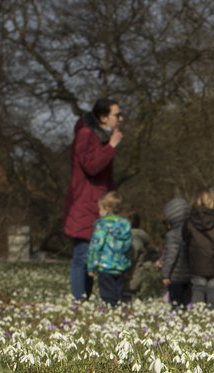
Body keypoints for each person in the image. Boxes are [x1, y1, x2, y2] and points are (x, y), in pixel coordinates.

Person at [63, 97, 124, 300]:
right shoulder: (86, 135)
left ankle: (86, 298)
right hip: (85, 204)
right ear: (103, 117)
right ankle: (80, 300)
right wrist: (112, 146)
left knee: (91, 256)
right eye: (117, 114)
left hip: (98, 204)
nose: (120, 119)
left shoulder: (100, 136)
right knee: (82, 255)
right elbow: (91, 166)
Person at [183, 189, 214, 308]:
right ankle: (212, 317)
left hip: (196, 262)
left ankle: (198, 318)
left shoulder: (189, 222)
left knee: (198, 289)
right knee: (213, 289)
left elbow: (185, 239)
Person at [87, 192, 133, 307]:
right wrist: (128, 263)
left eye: (100, 209)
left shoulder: (102, 224)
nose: (99, 212)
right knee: (117, 292)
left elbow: (95, 246)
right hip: (121, 266)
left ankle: (109, 310)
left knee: (107, 294)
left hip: (105, 265)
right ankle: (116, 307)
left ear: (107, 208)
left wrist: (91, 266)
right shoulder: (125, 224)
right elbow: (128, 246)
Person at [157, 197, 192, 308]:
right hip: (189, 275)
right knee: (186, 303)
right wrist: (162, 259)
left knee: (175, 303)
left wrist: (165, 274)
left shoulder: (172, 235)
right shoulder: (190, 232)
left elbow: (171, 255)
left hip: (175, 276)